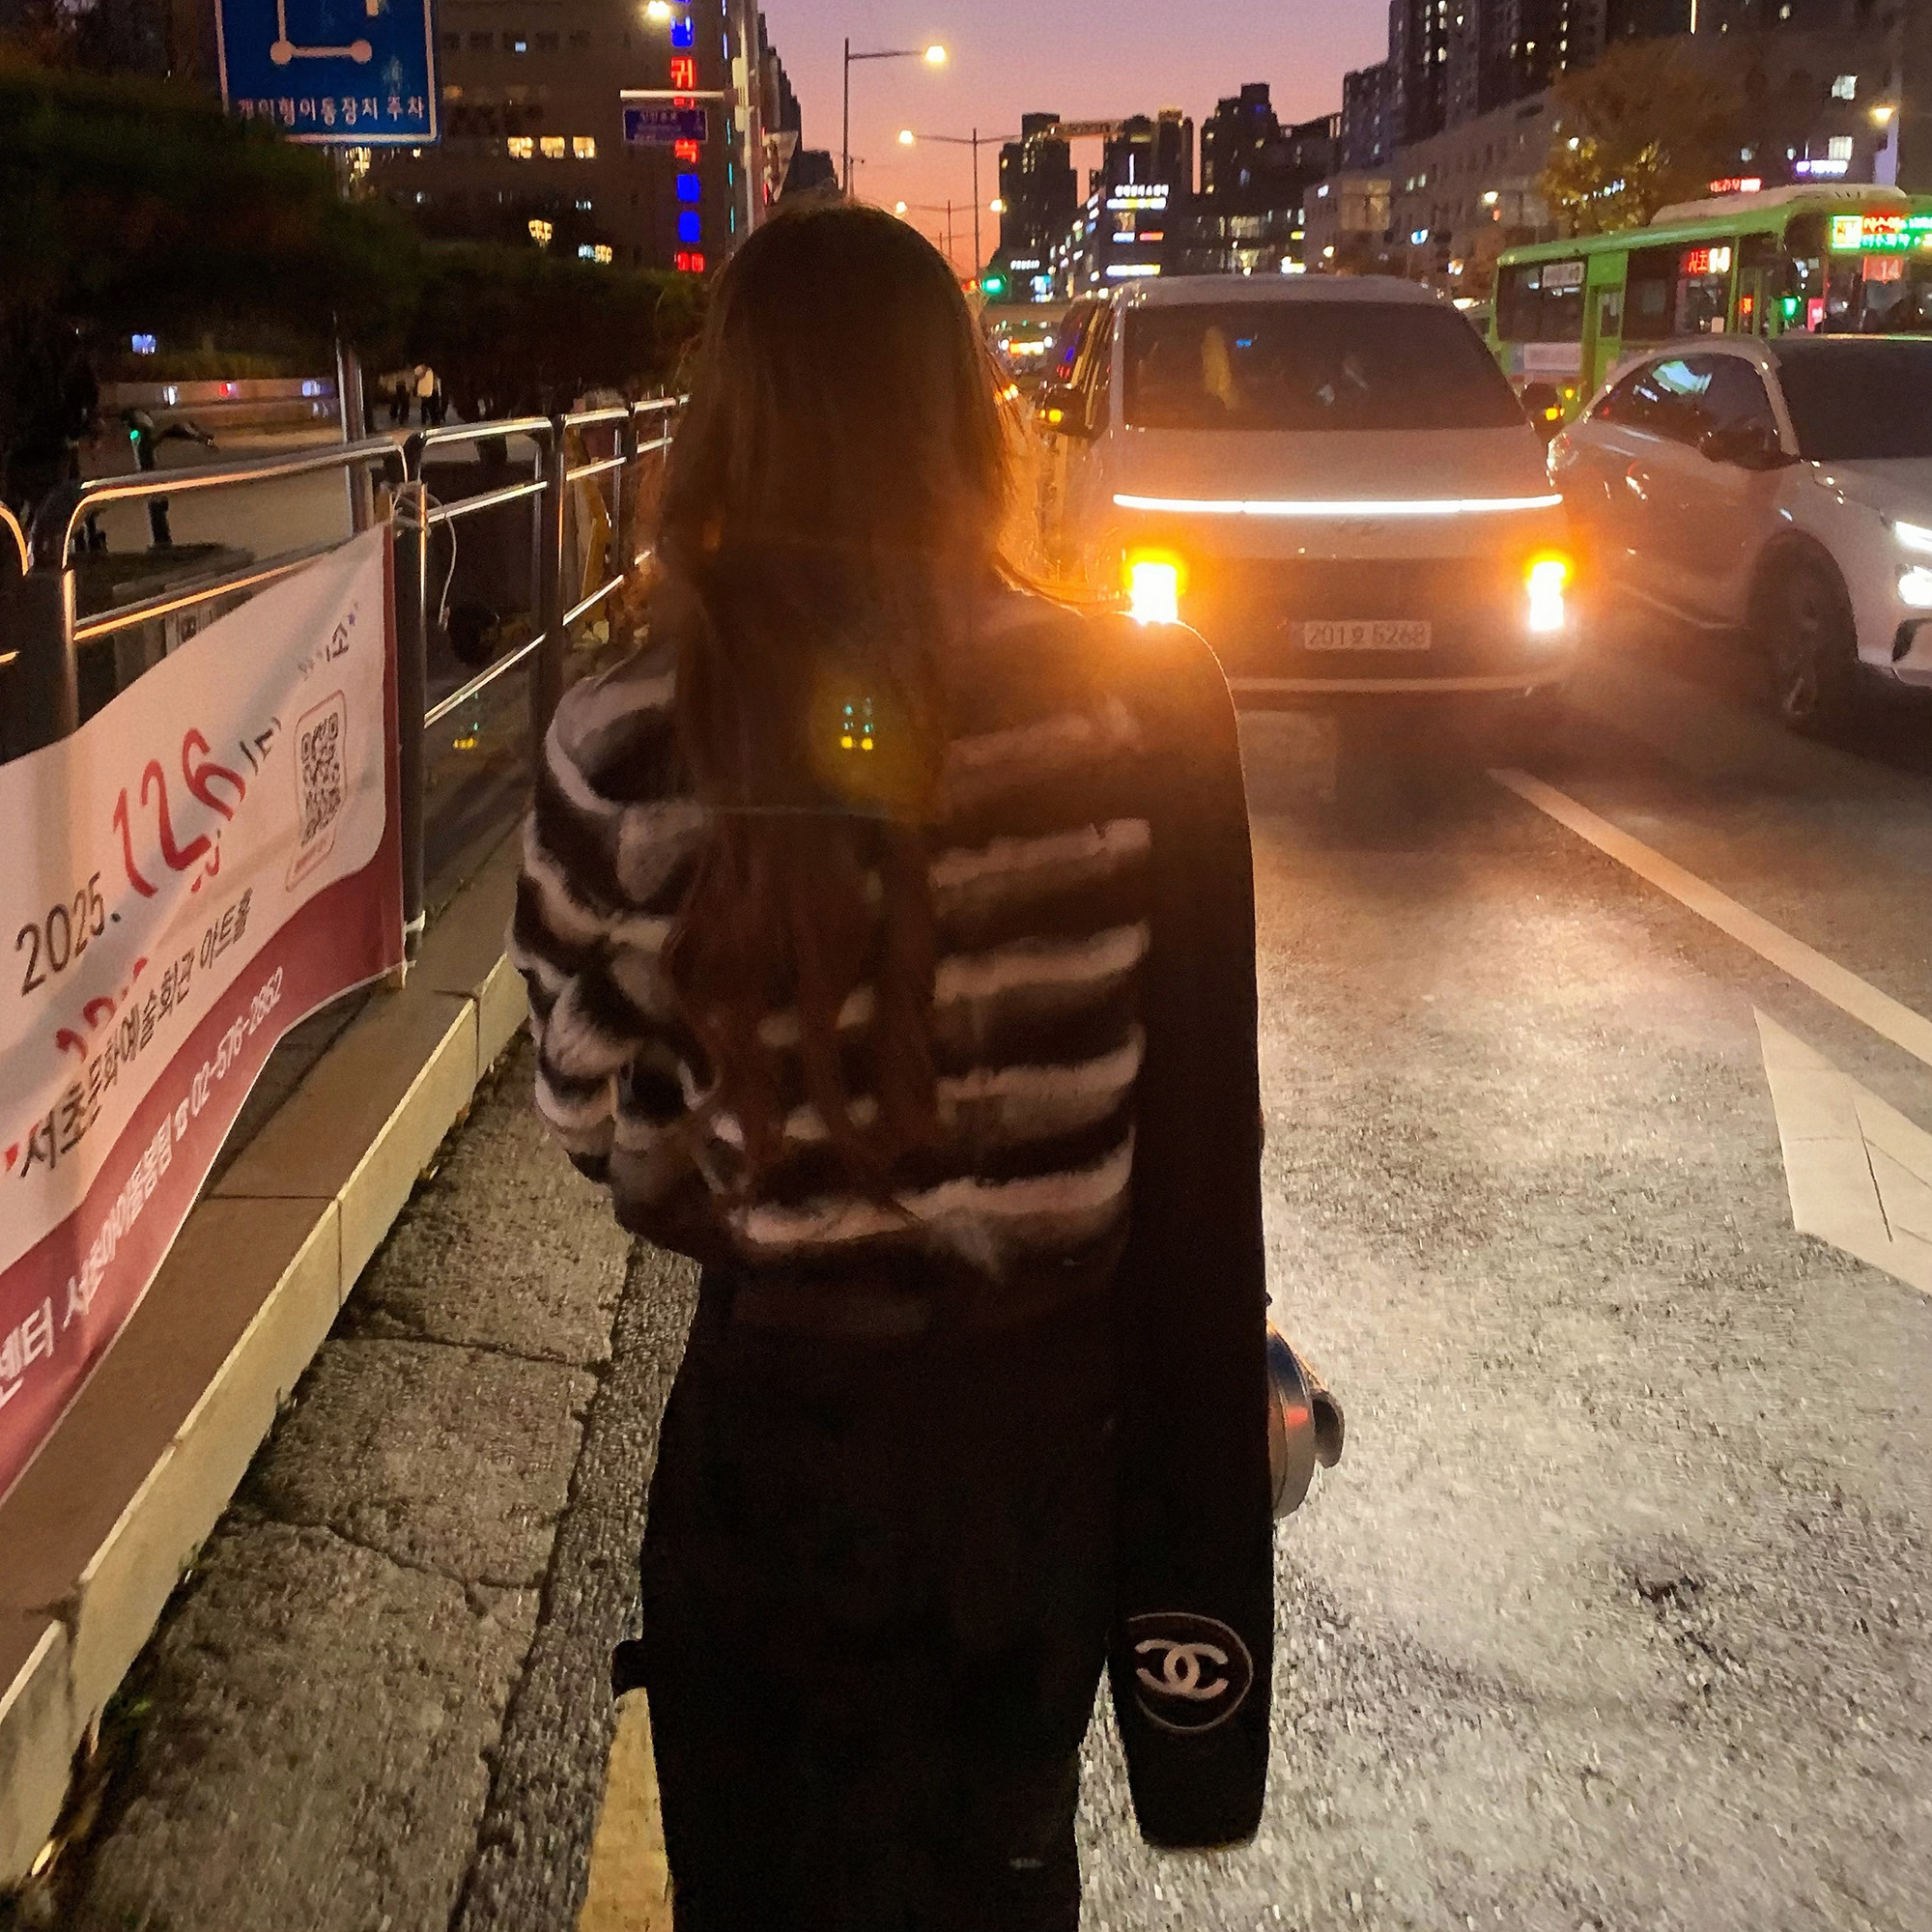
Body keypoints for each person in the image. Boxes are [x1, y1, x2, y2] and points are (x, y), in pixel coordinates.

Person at [511, 201, 1273, 1931]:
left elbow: (594, 1122)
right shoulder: (1144, 707)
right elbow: (1195, 1128)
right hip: (1038, 1465)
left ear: (729, 421)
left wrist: (757, 1108)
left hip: (776, 1455)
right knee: (999, 1871)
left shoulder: (627, 734)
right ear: (964, 420)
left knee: (763, 1886)